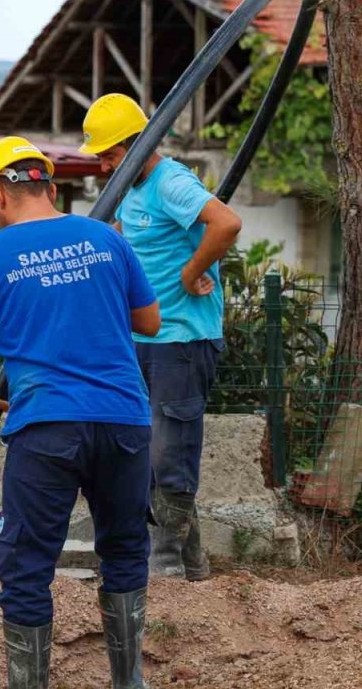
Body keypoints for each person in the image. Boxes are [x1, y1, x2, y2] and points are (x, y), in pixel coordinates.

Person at [0, 136, 161, 689]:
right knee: (125, 549)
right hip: (124, 421)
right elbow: (151, 322)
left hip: (45, 428)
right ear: (50, 186)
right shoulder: (105, 240)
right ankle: (128, 681)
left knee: (27, 567)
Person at [79, 94, 243, 581]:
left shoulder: (169, 180)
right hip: (147, 336)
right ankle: (191, 561)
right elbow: (137, 239)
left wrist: (193, 272)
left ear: (135, 144)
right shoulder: (132, 188)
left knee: (170, 446)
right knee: (146, 445)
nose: (104, 164)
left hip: (183, 339)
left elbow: (227, 223)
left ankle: (166, 559)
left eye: (109, 154)